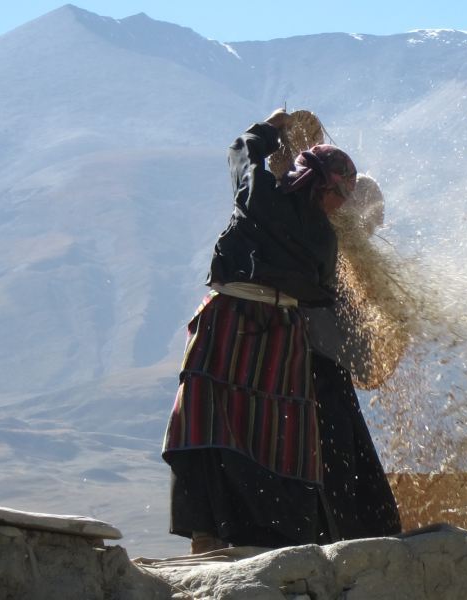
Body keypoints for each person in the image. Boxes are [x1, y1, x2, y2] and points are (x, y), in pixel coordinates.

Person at [161, 109, 391, 554]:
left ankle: (226, 534)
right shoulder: (323, 240)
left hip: (230, 321)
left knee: (215, 416)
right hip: (276, 335)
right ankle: (229, 533)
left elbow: (242, 152)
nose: (340, 205)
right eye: (338, 194)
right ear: (321, 186)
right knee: (266, 430)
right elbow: (321, 293)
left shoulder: (261, 195)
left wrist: (271, 130)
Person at [302, 174, 402, 542]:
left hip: (328, 372)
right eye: (373, 216)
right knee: (337, 464)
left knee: (344, 464)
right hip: (320, 374)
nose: (376, 226)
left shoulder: (341, 253)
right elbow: (346, 340)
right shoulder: (332, 254)